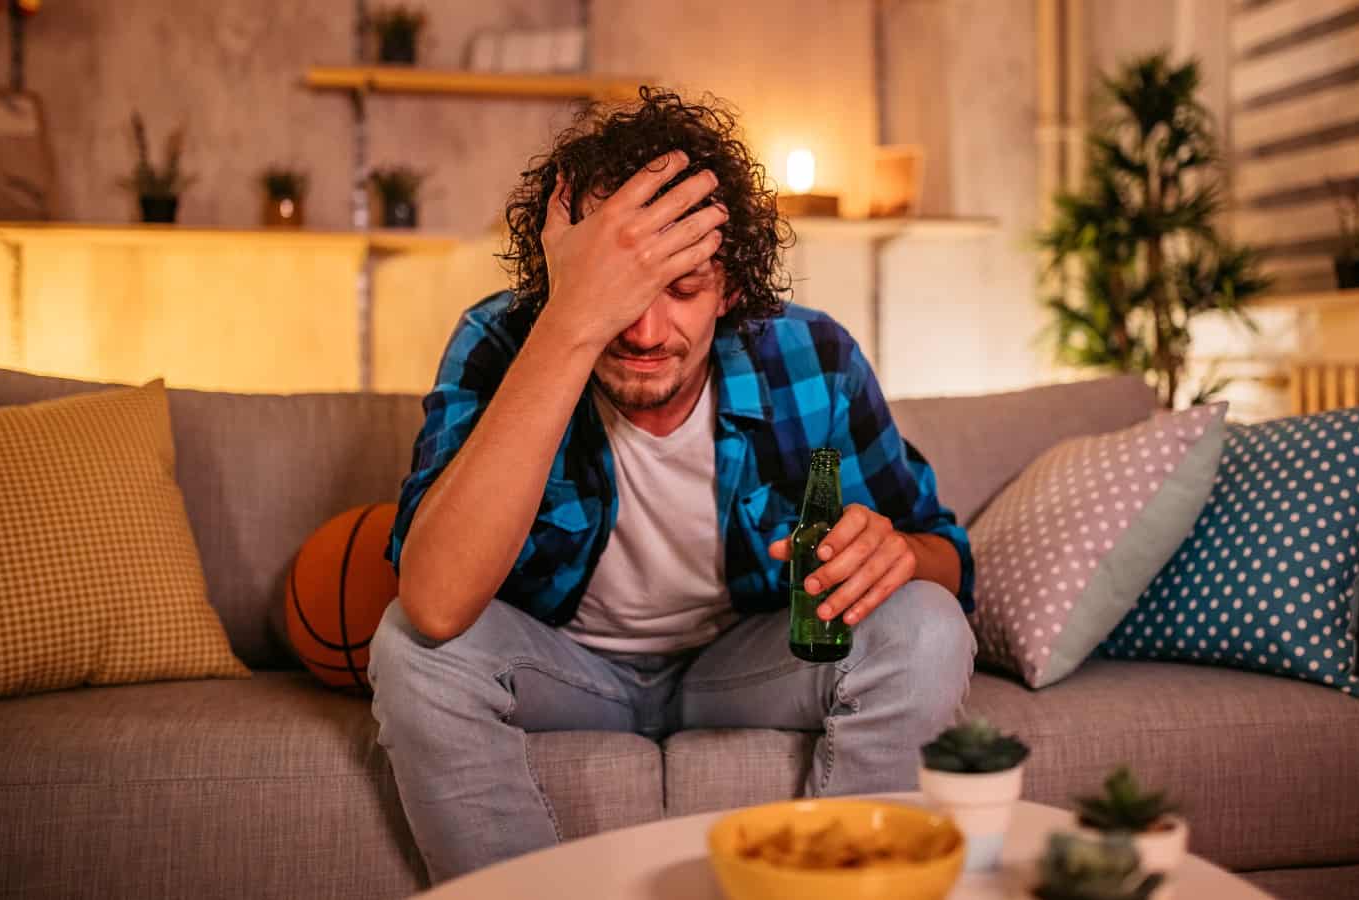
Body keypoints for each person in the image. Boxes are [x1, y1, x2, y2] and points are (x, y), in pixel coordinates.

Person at [368, 87, 978, 883]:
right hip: (566, 669)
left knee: (926, 623)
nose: (646, 333)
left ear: (730, 288)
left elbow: (950, 561)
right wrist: (569, 322)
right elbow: (437, 600)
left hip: (738, 670)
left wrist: (896, 553)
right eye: (618, 292)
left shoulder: (811, 357)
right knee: (411, 645)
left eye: (682, 289)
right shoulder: (499, 340)